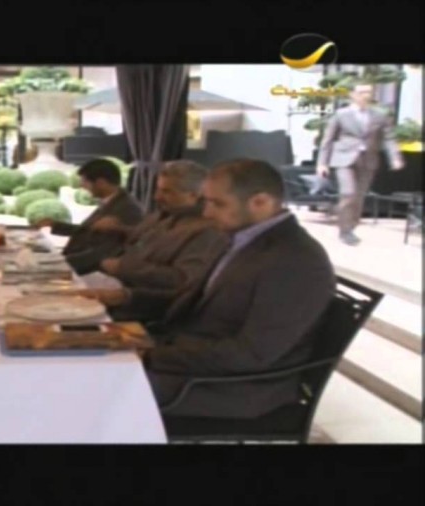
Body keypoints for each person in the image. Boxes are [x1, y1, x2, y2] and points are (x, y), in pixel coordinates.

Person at [137, 159, 335, 419]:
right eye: (206, 202)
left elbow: (252, 354)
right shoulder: (239, 237)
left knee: (97, 388)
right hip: (191, 362)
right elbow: (194, 299)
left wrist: (153, 356)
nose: (206, 213)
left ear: (261, 202)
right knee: (91, 366)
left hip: (232, 388)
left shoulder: (296, 260)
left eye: (217, 204)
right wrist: (126, 304)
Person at [78, 160, 228, 322]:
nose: (156, 197)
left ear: (194, 195)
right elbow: (142, 239)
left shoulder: (207, 231)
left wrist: (124, 268)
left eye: (167, 192)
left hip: (138, 309)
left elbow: (182, 281)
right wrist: (120, 229)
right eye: (158, 189)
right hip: (113, 288)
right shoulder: (164, 214)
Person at [316, 82, 404, 246]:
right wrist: (322, 163)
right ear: (353, 95)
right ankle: (344, 230)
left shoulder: (379, 115)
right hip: (344, 159)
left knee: (358, 197)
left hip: (368, 161)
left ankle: (350, 227)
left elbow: (389, 138)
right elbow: (327, 140)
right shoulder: (341, 115)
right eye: (362, 92)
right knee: (348, 193)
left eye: (369, 92)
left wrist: (395, 157)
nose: (366, 95)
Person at [34, 158, 143, 274]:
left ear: (101, 183)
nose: (82, 186)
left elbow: (105, 252)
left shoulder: (127, 208)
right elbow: (88, 230)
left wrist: (60, 263)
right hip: (79, 262)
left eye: (85, 182)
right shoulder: (112, 201)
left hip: (94, 272)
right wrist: (54, 225)